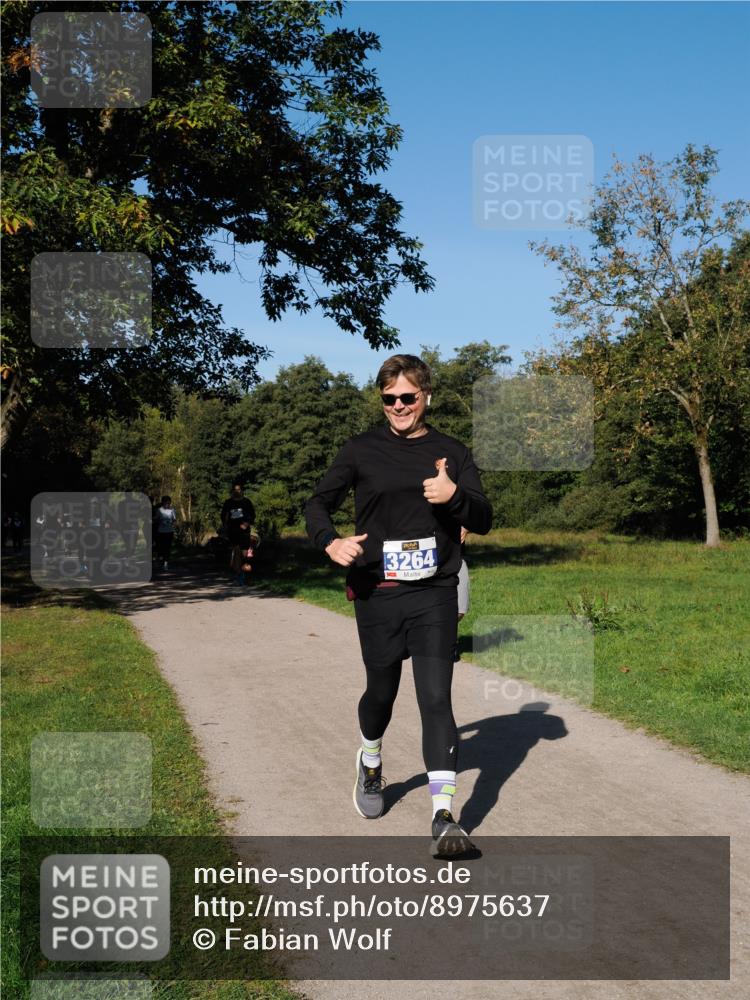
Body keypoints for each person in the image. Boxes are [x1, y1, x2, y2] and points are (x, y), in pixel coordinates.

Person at [305, 354, 492, 857]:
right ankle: (370, 759)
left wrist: (453, 496)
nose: (399, 406)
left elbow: (483, 515)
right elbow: (317, 503)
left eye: (408, 397)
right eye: (389, 399)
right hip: (378, 591)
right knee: (381, 694)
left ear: (427, 396)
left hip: (434, 590)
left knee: (435, 699)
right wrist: (329, 541)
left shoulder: (451, 453)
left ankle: (443, 817)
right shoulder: (360, 450)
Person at [221, 482, 256, 583]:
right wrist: (226, 525)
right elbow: (223, 515)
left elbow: (253, 515)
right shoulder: (228, 502)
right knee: (235, 552)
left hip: (244, 531)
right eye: (235, 490)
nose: (237, 491)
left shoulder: (246, 502)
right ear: (232, 491)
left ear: (242, 491)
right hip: (232, 531)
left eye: (239, 489)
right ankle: (238, 573)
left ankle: (245, 574)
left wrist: (247, 524)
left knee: (245, 553)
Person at [153, 496, 177, 571]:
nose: (168, 504)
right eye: (166, 503)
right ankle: (158, 560)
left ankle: (165, 563)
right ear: (163, 502)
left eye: (169, 503)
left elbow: (174, 520)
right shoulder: (159, 510)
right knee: (161, 547)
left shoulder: (172, 510)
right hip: (161, 532)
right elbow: (156, 519)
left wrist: (172, 523)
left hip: (169, 531)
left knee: (168, 548)